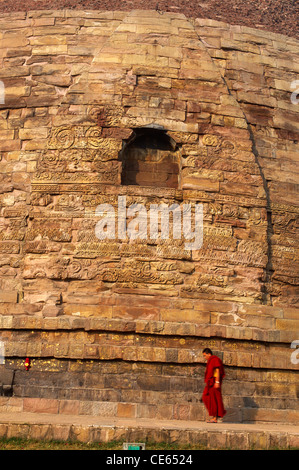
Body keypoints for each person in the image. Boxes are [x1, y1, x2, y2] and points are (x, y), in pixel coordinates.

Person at [201, 348, 226, 423]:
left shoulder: (214, 360)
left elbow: (217, 371)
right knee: (206, 397)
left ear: (209, 354)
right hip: (211, 383)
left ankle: (214, 418)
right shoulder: (211, 361)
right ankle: (214, 417)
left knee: (214, 399)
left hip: (214, 382)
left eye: (205, 355)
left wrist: (217, 382)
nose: (204, 357)